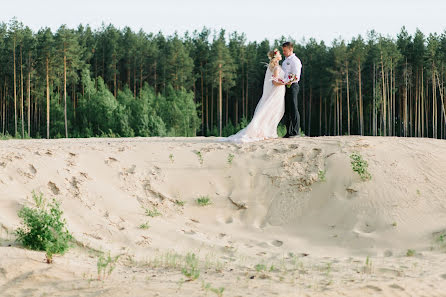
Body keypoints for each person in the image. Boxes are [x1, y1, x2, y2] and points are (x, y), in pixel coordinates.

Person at [221, 49, 286, 143]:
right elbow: (274, 82)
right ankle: (268, 132)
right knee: (273, 111)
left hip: (277, 92)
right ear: (276, 56)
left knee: (272, 111)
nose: (280, 54)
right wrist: (284, 82)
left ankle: (269, 131)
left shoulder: (274, 67)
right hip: (276, 92)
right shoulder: (276, 68)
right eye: (279, 53)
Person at [281, 42, 302, 138]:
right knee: (287, 110)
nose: (283, 52)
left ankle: (295, 131)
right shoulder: (284, 62)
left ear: (290, 49)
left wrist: (286, 81)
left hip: (293, 86)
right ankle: (288, 131)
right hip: (285, 87)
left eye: (285, 50)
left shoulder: (295, 61)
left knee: (293, 108)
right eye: (283, 50)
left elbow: (296, 76)